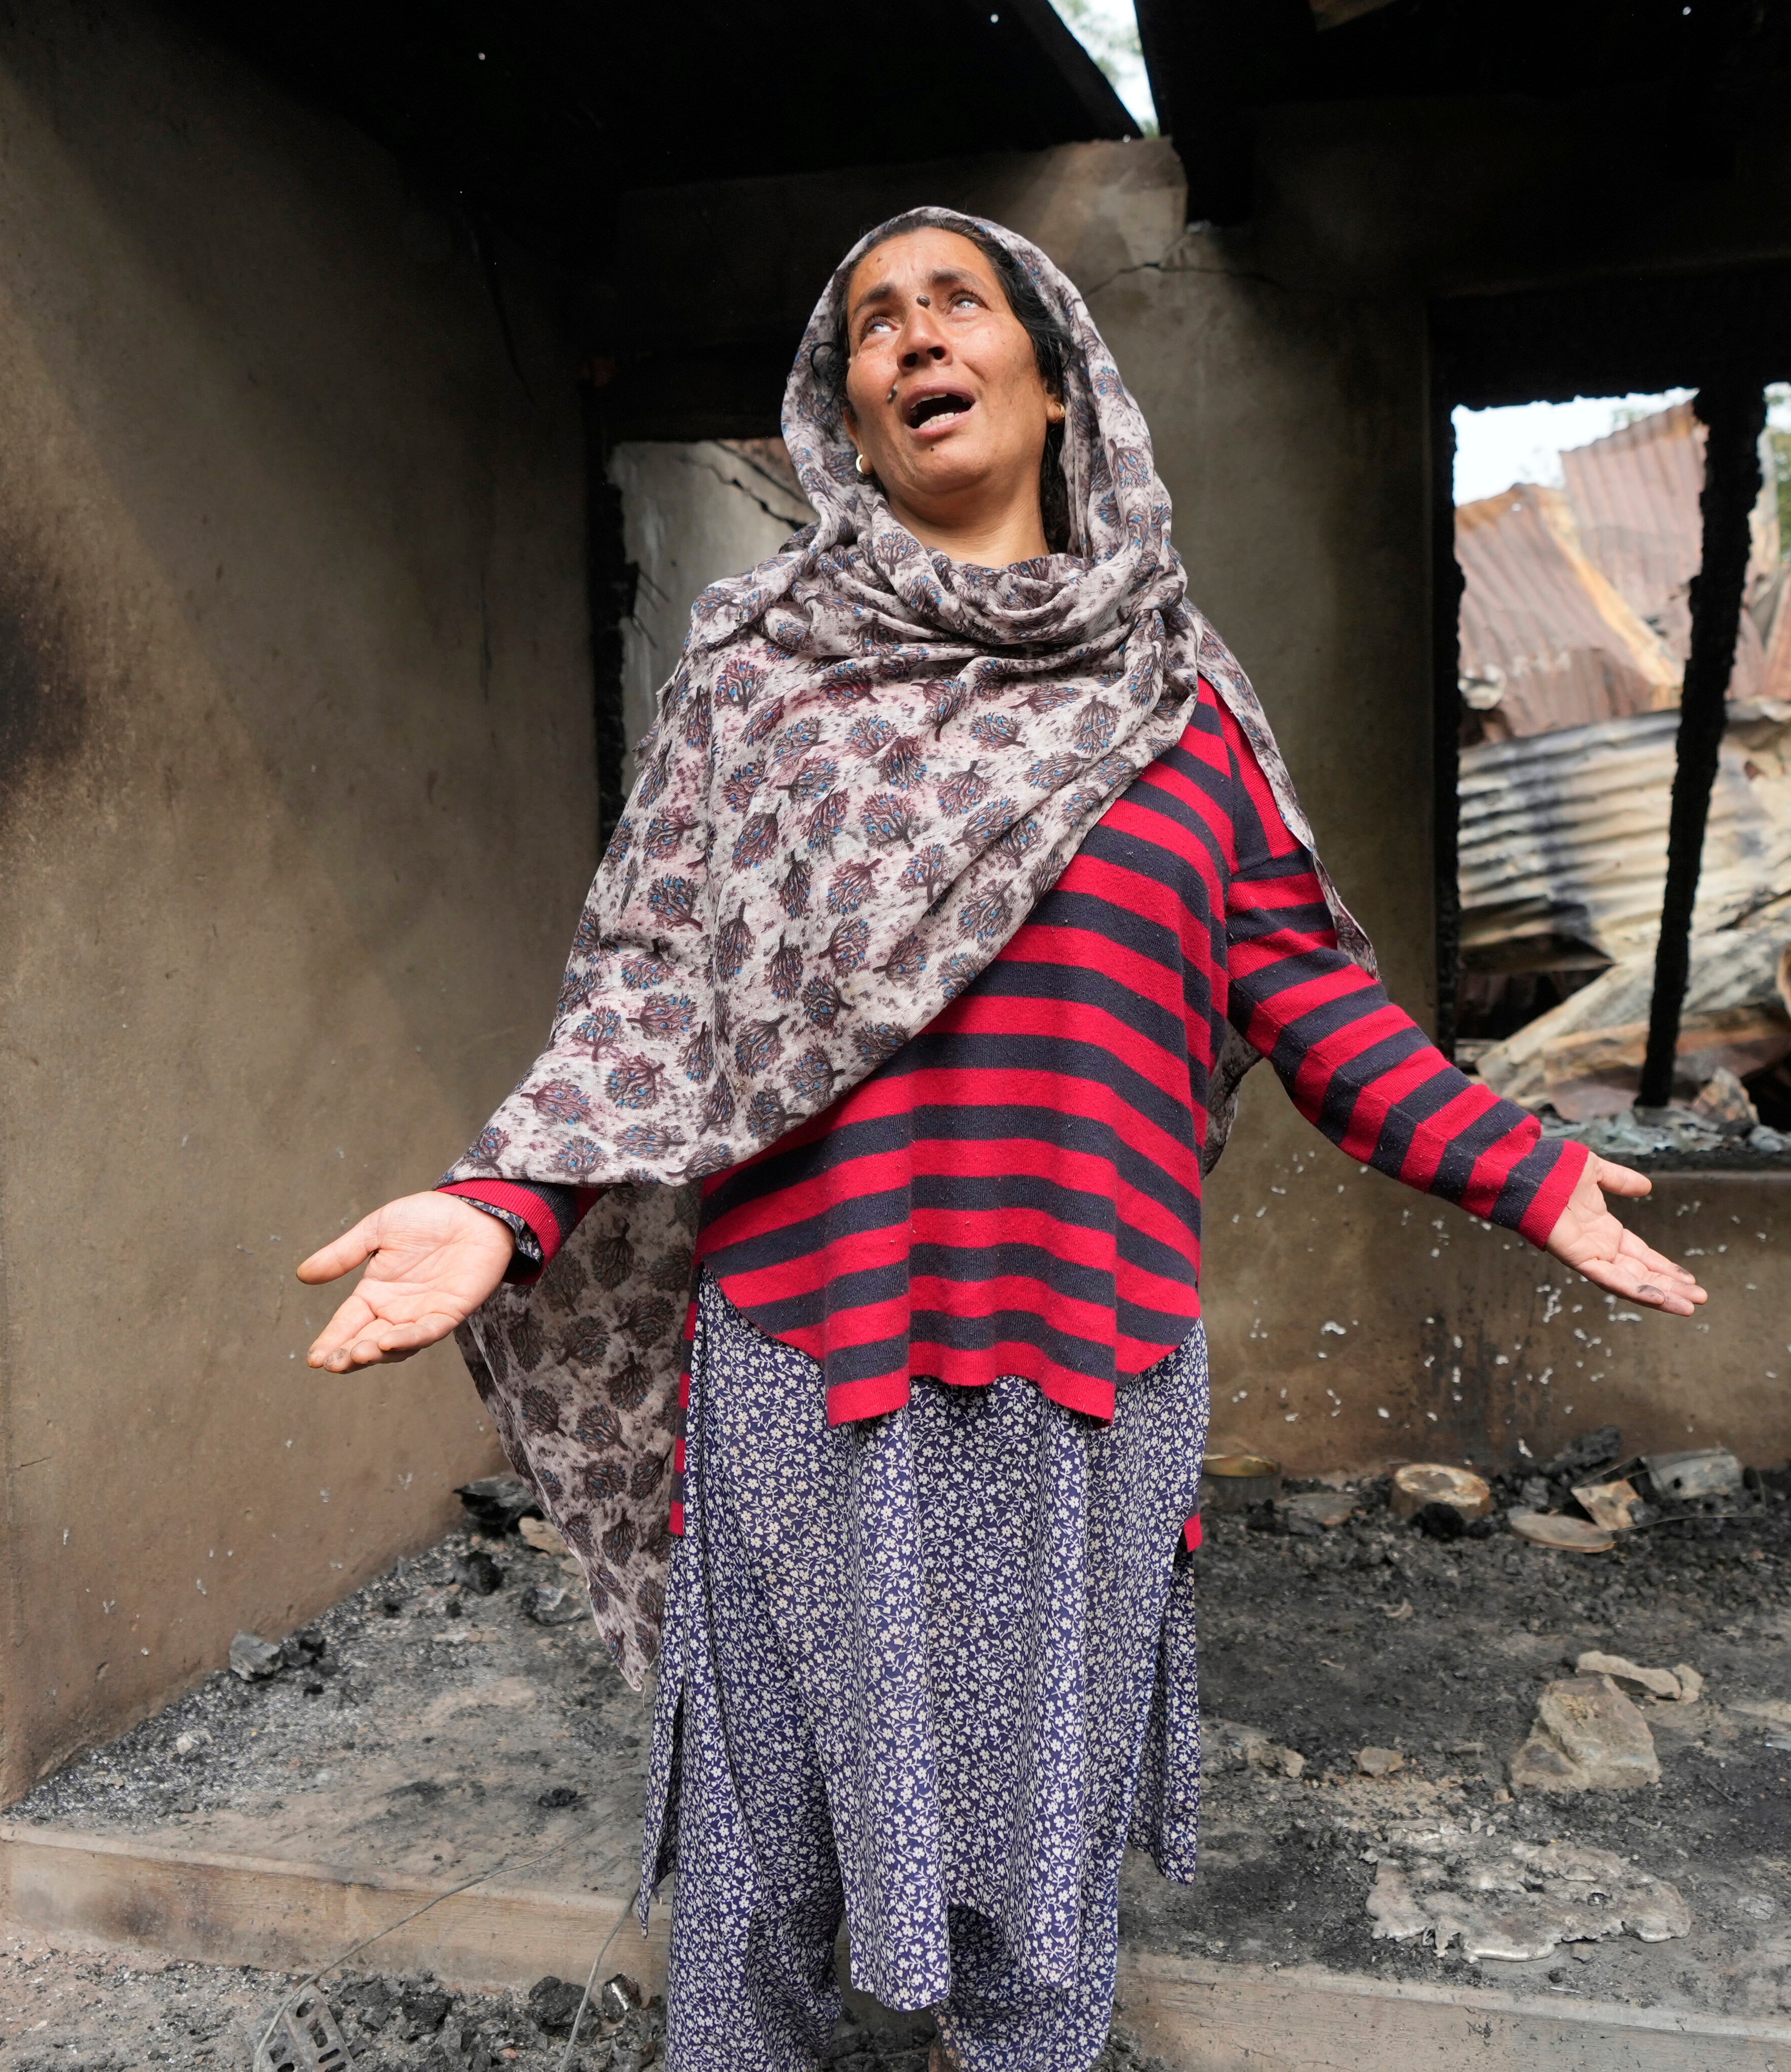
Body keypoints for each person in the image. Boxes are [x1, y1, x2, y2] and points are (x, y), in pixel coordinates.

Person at [297, 209, 1701, 2072]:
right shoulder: (759, 677)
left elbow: (1316, 999)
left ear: (1056, 381)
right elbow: (648, 987)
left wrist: (1514, 1164)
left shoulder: (1181, 701)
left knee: (1037, 1888)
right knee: (762, 1871)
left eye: (958, 303)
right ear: (846, 410)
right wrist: (506, 1200)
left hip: (1087, 1379)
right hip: (810, 1364)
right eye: (874, 322)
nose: (914, 338)